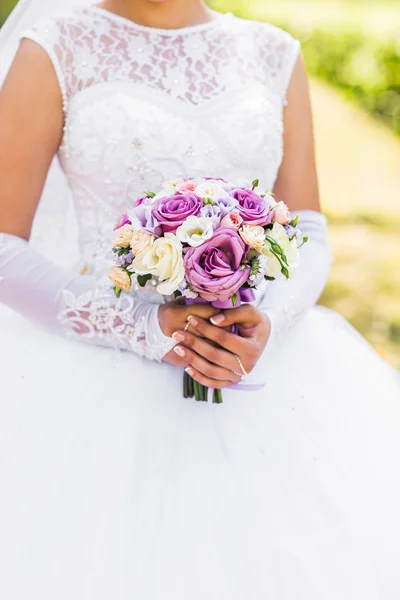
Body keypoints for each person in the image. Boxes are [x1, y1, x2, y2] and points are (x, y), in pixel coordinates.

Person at [0, 0, 399, 598]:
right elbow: (4, 248)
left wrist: (271, 316)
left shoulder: (273, 51)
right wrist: (145, 327)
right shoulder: (56, 43)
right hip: (99, 373)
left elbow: (310, 229)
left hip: (261, 363)